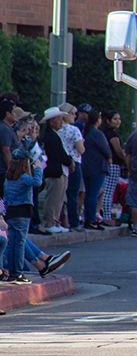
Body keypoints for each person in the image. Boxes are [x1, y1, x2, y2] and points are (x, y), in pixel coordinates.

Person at [2, 146, 43, 284]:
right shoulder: (24, 177)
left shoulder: (9, 178)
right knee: (19, 243)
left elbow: (5, 198)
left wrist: (3, 213)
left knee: (11, 243)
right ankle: (18, 273)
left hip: (11, 212)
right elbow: (37, 182)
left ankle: (11, 271)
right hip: (22, 212)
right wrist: (38, 168)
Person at [40, 107, 73, 234]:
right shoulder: (50, 136)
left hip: (60, 170)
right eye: (59, 119)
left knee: (60, 198)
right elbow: (58, 154)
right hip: (54, 170)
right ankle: (49, 222)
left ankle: (55, 221)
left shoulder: (55, 135)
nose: (61, 122)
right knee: (53, 198)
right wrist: (69, 161)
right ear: (52, 121)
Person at [82, 110, 111, 230]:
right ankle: (91, 219)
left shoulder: (86, 132)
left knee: (89, 194)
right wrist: (109, 158)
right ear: (97, 120)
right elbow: (106, 150)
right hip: (97, 167)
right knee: (93, 194)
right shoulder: (97, 133)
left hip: (87, 166)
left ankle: (88, 218)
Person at [58, 103, 85, 231]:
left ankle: (59, 220)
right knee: (72, 194)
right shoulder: (74, 130)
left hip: (59, 164)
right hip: (74, 163)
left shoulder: (55, 130)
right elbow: (81, 149)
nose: (75, 116)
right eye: (73, 113)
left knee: (59, 194)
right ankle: (74, 222)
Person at [100, 110, 126, 225]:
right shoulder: (113, 135)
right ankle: (106, 217)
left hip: (103, 165)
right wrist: (127, 160)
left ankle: (100, 215)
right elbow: (118, 151)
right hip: (114, 165)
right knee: (108, 192)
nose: (118, 121)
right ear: (108, 120)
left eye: (119, 119)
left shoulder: (101, 132)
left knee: (103, 191)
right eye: (115, 119)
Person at [0, 98, 18, 195]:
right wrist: (11, 169)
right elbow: (6, 150)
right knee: (2, 196)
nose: (16, 115)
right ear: (7, 114)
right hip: (3, 171)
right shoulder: (4, 129)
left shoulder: (8, 128)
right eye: (14, 112)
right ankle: (2, 210)